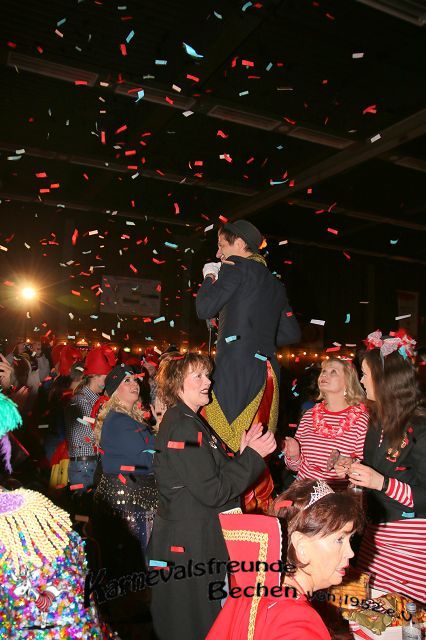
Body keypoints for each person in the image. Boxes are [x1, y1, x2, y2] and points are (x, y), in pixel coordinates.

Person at [148, 352, 276, 640]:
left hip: (192, 540)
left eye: (207, 375)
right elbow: (212, 491)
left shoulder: (189, 421)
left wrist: (243, 453)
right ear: (178, 383)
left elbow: (208, 475)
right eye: (198, 376)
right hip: (189, 544)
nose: (208, 382)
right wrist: (253, 457)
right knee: (193, 623)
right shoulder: (184, 426)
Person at [196, 220, 300, 511]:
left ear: (240, 244)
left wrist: (209, 277)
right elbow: (291, 333)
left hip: (235, 372)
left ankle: (225, 514)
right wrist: (255, 333)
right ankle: (256, 514)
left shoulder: (235, 267)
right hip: (266, 375)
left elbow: (204, 307)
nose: (219, 254)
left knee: (222, 445)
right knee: (255, 447)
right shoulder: (275, 283)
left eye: (222, 246)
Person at [206, 478, 364, 640]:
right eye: (339, 539)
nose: (350, 553)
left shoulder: (252, 586)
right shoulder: (298, 624)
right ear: (301, 546)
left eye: (350, 539)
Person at [344, 330, 426, 602]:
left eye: (365, 374)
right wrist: (354, 468)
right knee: (368, 610)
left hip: (410, 546)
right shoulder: (377, 422)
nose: (361, 380)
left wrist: (381, 483)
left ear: (385, 379)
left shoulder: (421, 427)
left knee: (404, 615)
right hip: (376, 537)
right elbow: (378, 470)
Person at [93, 363, 158, 570]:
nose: (134, 384)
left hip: (134, 500)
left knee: (139, 563)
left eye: (135, 379)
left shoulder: (128, 419)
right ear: (114, 390)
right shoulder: (119, 421)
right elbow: (148, 460)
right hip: (128, 503)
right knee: (136, 564)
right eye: (126, 381)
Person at [283, 358, 369, 486]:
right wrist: (294, 455)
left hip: (337, 494)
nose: (324, 375)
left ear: (347, 382)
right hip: (303, 491)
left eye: (333, 372)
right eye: (323, 371)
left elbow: (364, 468)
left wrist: (350, 464)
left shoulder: (361, 420)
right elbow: (295, 467)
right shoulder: (309, 415)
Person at [64, 345, 115, 491]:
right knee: (83, 503)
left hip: (91, 463)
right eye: (105, 378)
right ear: (95, 376)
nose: (108, 383)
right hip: (83, 466)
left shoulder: (95, 400)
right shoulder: (80, 401)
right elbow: (90, 435)